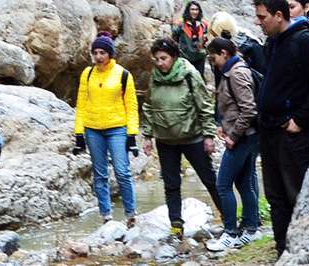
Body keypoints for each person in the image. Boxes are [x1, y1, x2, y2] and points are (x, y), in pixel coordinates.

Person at [253, 0, 309, 256]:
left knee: (297, 194)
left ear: (279, 15)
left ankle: (308, 252)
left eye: (262, 17)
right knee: (276, 197)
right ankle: (284, 252)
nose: (258, 22)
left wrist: (299, 120)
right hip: (270, 131)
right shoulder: (272, 44)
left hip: (292, 136)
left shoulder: (304, 42)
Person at [142, 38, 219, 240]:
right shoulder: (155, 77)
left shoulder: (189, 74)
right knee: (171, 184)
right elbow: (149, 106)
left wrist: (208, 135)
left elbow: (204, 105)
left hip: (192, 138)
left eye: (164, 58)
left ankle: (228, 218)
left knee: (209, 179)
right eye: (157, 59)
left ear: (174, 57)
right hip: (165, 140)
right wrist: (147, 136)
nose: (160, 63)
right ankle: (176, 226)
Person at [71, 33, 139, 229]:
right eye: (95, 53)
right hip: (93, 129)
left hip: (117, 128)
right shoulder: (87, 74)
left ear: (110, 54)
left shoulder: (123, 74)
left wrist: (132, 135)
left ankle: (131, 214)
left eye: (102, 52)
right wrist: (79, 133)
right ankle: (106, 216)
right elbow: (81, 104)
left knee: (122, 172)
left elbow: (131, 106)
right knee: (99, 174)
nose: (98, 56)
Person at [202, 36, 262, 251]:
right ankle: (251, 228)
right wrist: (223, 125)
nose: (212, 63)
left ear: (224, 54)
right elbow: (234, 107)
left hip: (243, 138)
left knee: (223, 185)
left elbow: (249, 109)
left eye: (213, 58)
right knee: (244, 183)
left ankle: (230, 233)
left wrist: (233, 136)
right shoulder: (233, 71)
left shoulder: (236, 73)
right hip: (247, 136)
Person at [171, 1, 210, 74]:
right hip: (185, 57)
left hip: (199, 57)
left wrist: (204, 48)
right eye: (192, 9)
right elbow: (174, 38)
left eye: (196, 9)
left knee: (199, 77)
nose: (195, 12)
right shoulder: (181, 24)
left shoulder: (203, 24)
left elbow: (206, 38)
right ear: (188, 11)